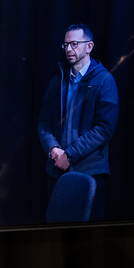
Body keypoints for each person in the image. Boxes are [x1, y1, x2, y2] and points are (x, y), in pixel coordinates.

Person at [36, 23, 118, 220]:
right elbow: (44, 123)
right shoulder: (57, 81)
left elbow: (104, 129)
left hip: (89, 173)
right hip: (57, 172)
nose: (69, 49)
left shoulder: (104, 81)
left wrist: (69, 155)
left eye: (74, 44)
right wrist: (54, 149)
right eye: (66, 45)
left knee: (87, 234)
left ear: (89, 46)